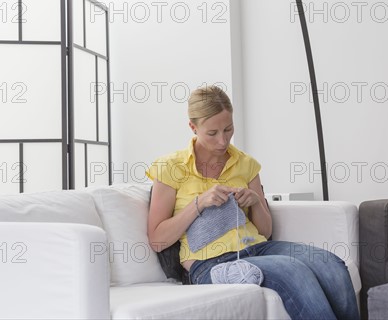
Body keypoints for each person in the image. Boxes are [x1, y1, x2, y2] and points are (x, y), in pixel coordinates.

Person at [146, 85, 360, 320]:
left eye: (228, 129)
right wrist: (198, 204)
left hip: (257, 248)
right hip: (207, 263)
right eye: (212, 133)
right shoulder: (170, 167)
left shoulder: (246, 164)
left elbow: (265, 230)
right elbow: (157, 239)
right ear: (193, 127)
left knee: (331, 265)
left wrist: (256, 202)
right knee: (293, 271)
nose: (222, 140)